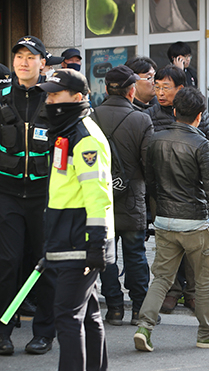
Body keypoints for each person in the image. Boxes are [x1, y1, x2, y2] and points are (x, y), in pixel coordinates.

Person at [134, 87, 209, 351]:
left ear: (175, 111)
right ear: (200, 116)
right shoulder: (202, 144)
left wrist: (157, 213)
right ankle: (207, 332)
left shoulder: (155, 139)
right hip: (195, 222)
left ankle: (144, 326)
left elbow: (151, 184)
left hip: (165, 220)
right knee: (204, 280)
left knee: (162, 278)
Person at [38, 69, 113, 370]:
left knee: (67, 317)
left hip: (80, 242)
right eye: (48, 93)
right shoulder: (68, 131)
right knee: (88, 314)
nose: (49, 99)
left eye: (56, 94)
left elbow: (97, 195)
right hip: (68, 239)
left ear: (78, 97)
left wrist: (96, 244)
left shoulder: (85, 137)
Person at [145, 64, 209, 313]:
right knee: (167, 246)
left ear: (180, 88)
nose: (160, 92)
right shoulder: (151, 115)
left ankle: (193, 292)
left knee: (194, 246)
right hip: (163, 190)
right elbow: (148, 159)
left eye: (166, 87)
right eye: (157, 87)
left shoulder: (201, 115)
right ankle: (172, 291)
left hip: (194, 190)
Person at [0, 35, 56, 356]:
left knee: (43, 264)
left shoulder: (54, 99)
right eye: (19, 56)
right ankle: (3, 330)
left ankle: (44, 333)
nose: (23, 61)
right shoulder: (2, 97)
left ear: (42, 63)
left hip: (44, 196)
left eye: (30, 56)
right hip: (6, 193)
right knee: (7, 263)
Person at [94, 65, 154, 326]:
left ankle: (114, 308)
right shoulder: (141, 120)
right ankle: (140, 309)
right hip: (132, 197)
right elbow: (149, 165)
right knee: (136, 254)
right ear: (131, 91)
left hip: (100, 199)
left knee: (106, 257)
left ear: (106, 89)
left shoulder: (91, 117)